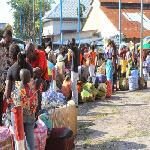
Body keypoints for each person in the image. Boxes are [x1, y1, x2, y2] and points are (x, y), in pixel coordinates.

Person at [25, 43, 50, 112]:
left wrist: (30, 72)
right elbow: (26, 73)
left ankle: (37, 109)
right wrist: (33, 70)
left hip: (44, 82)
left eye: (27, 54)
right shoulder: (28, 58)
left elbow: (39, 74)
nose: (26, 56)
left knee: (37, 81)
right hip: (33, 79)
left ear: (33, 51)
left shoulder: (41, 54)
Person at [0, 30, 12, 125]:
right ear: (3, 38)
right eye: (8, 41)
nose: (9, 43)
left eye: (10, 42)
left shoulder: (5, 49)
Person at [67, 38, 79, 107]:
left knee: (74, 87)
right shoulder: (77, 49)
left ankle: (75, 103)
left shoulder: (74, 48)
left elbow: (68, 45)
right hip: (75, 69)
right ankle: (73, 100)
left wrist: (67, 42)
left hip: (74, 70)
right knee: (73, 86)